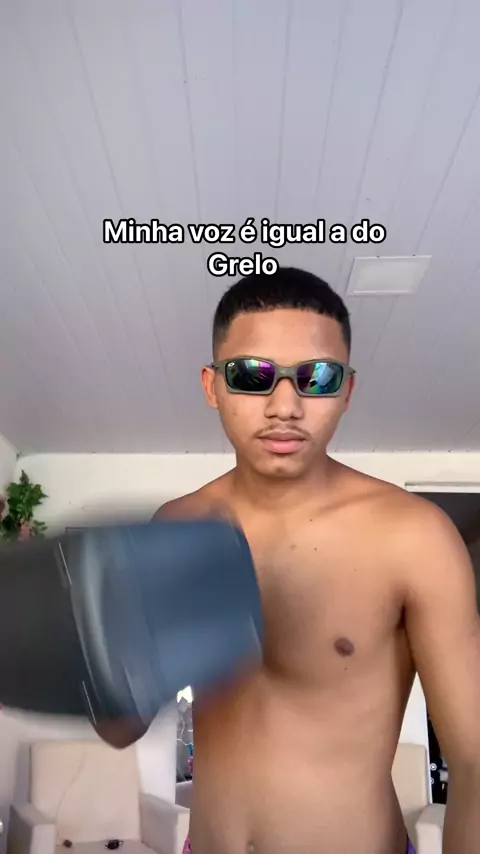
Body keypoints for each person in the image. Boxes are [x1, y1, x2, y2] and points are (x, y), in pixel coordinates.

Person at [154, 266, 480, 854]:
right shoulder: (175, 527)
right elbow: (123, 720)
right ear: (212, 386)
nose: (285, 405)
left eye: (317, 377)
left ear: (346, 391)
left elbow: (475, 763)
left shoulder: (415, 537)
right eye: (252, 375)